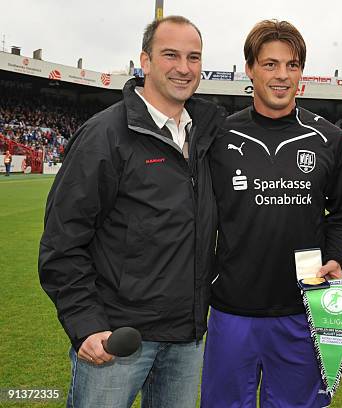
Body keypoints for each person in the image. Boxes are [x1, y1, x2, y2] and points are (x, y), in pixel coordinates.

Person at [38, 16, 224, 408]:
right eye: (170, 55)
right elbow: (62, 240)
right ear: (145, 60)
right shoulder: (105, 134)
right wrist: (86, 325)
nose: (184, 68)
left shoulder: (207, 134)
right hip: (116, 338)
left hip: (185, 339)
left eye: (194, 57)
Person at [201, 19, 342, 408]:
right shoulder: (220, 137)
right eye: (270, 64)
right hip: (231, 308)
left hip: (302, 308)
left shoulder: (328, 139)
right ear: (250, 69)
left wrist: (338, 257)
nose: (282, 75)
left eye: (292, 65)